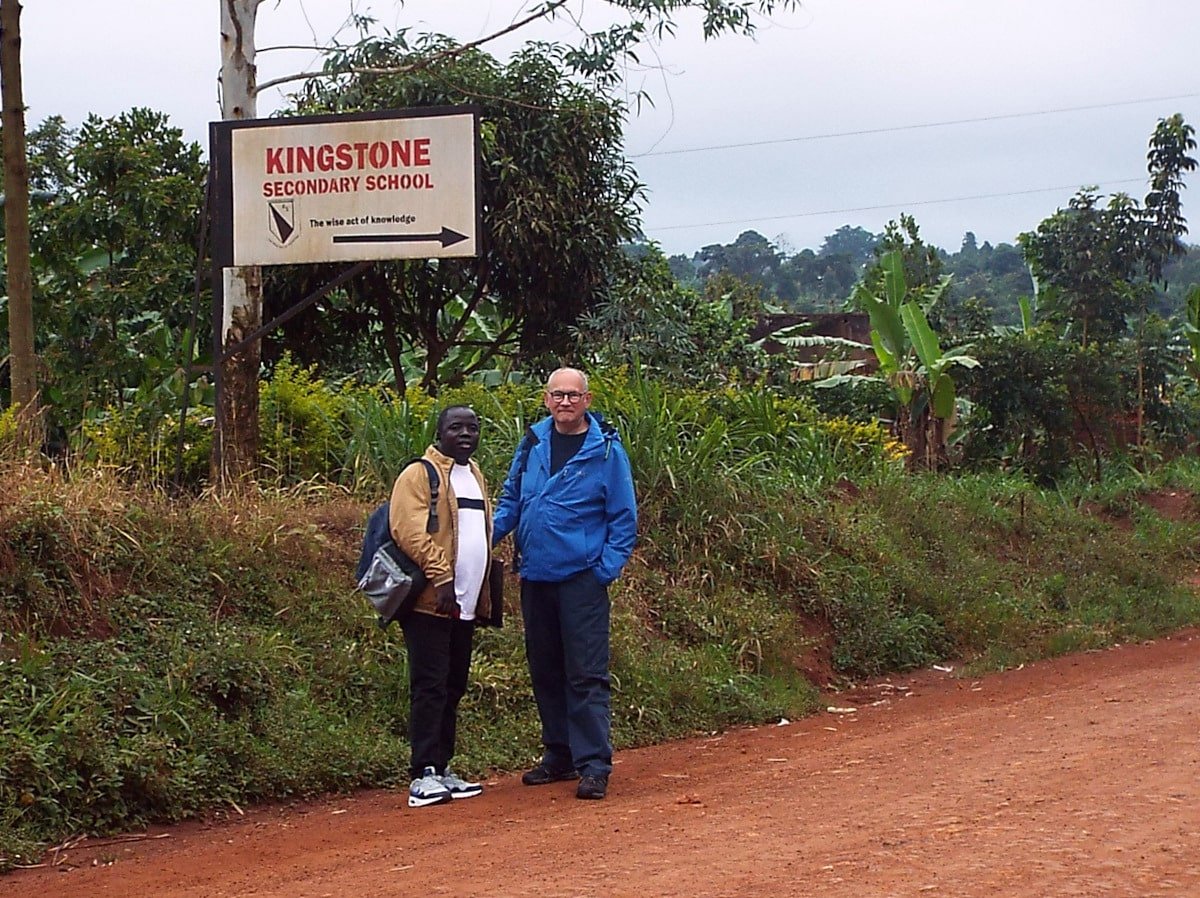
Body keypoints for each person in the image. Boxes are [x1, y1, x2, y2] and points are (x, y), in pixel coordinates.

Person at [493, 368, 637, 801]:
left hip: (581, 582)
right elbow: (512, 499)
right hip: (535, 577)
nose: (566, 402)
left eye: (574, 395)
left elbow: (623, 519)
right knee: (545, 670)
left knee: (586, 674)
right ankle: (558, 755)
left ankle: (594, 765)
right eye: (558, 395)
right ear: (546, 399)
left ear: (587, 400)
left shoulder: (606, 451)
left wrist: (603, 570)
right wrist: (481, 541)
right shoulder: (533, 442)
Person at [390, 405, 493, 808]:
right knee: (429, 686)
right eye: (456, 427)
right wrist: (442, 577)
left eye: (472, 427)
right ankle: (423, 773)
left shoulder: (474, 474)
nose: (465, 434)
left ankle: (443, 766)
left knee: (453, 686)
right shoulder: (420, 474)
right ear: (439, 432)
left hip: (464, 604)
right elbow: (408, 530)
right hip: (432, 602)